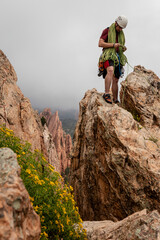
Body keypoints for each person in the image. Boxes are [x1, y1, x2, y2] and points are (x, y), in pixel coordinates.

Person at [98, 15, 128, 104]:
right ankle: (106, 93)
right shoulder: (107, 31)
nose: (120, 29)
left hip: (117, 56)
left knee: (116, 79)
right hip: (108, 55)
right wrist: (113, 45)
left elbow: (118, 45)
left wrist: (122, 49)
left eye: (122, 28)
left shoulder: (121, 34)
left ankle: (115, 99)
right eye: (119, 27)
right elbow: (100, 43)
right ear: (116, 23)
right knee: (110, 71)